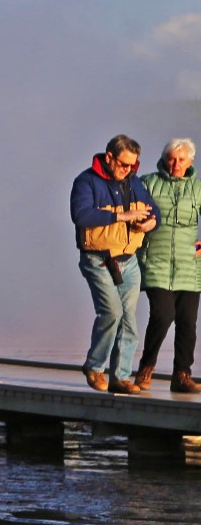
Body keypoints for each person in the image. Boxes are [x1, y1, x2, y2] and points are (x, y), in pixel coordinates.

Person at [71, 135, 159, 393]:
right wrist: (122, 215)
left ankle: (120, 378)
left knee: (129, 321)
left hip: (129, 260)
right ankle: (94, 366)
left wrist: (150, 221)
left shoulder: (133, 182)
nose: (128, 170)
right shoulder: (85, 181)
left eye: (133, 165)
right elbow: (81, 215)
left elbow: (154, 210)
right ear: (109, 157)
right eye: (123, 164)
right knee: (112, 312)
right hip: (97, 259)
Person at [138, 138, 200, 394]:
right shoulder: (147, 183)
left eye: (181, 160)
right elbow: (134, 212)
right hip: (156, 260)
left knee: (187, 322)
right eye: (171, 159)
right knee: (163, 315)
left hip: (189, 265)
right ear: (164, 159)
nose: (175, 164)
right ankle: (146, 368)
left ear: (191, 162)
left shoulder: (198, 188)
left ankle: (182, 375)